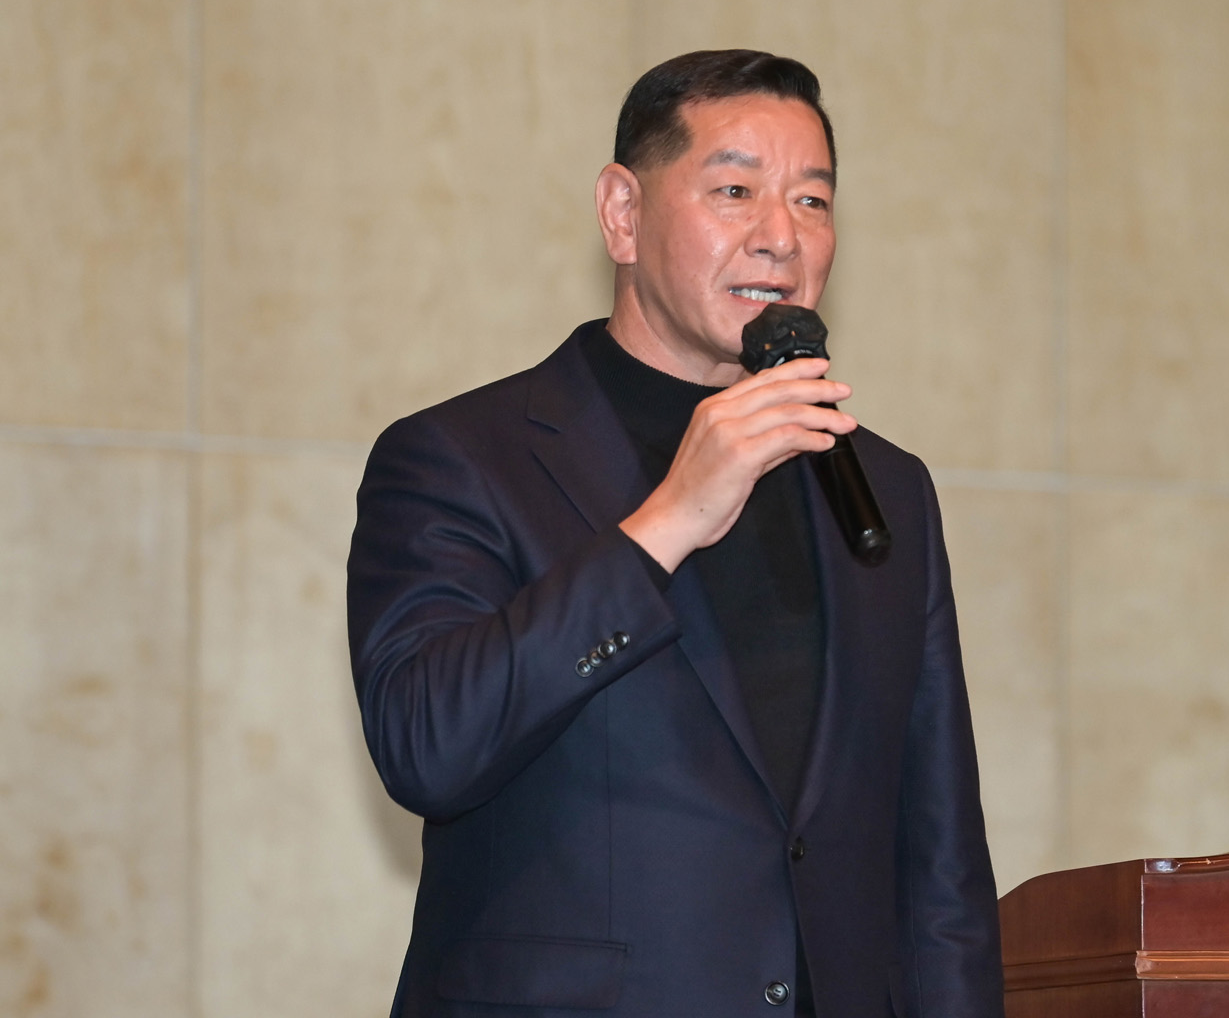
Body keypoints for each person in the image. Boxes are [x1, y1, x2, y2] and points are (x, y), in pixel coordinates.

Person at [347, 49, 1003, 1018]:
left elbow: (940, 865)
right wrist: (665, 522)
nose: (780, 238)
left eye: (813, 201)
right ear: (622, 213)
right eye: (735, 191)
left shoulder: (883, 491)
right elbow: (427, 746)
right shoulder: (464, 458)